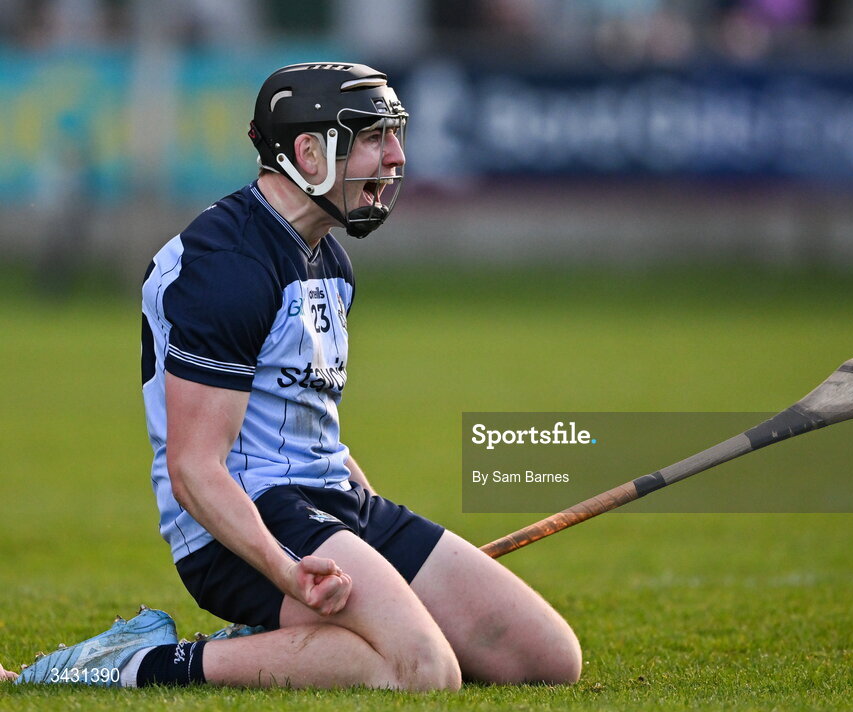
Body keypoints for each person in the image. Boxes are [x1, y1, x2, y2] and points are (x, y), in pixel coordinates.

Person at [9, 62, 581, 690]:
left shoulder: (328, 256)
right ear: (308, 153)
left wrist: (379, 535)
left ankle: (292, 641)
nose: (395, 157)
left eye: (394, 135)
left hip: (329, 502)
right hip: (237, 524)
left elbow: (308, 424)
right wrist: (286, 574)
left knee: (546, 658)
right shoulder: (225, 266)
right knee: (423, 671)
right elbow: (195, 470)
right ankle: (133, 665)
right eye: (372, 137)